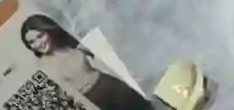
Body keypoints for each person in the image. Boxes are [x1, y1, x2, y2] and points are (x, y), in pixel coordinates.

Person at [20, 14, 152, 110]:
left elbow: (101, 59)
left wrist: (128, 78)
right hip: (99, 100)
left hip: (113, 84)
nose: (38, 43)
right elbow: (73, 97)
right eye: (32, 42)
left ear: (49, 31)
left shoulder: (69, 43)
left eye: (40, 36)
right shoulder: (45, 66)